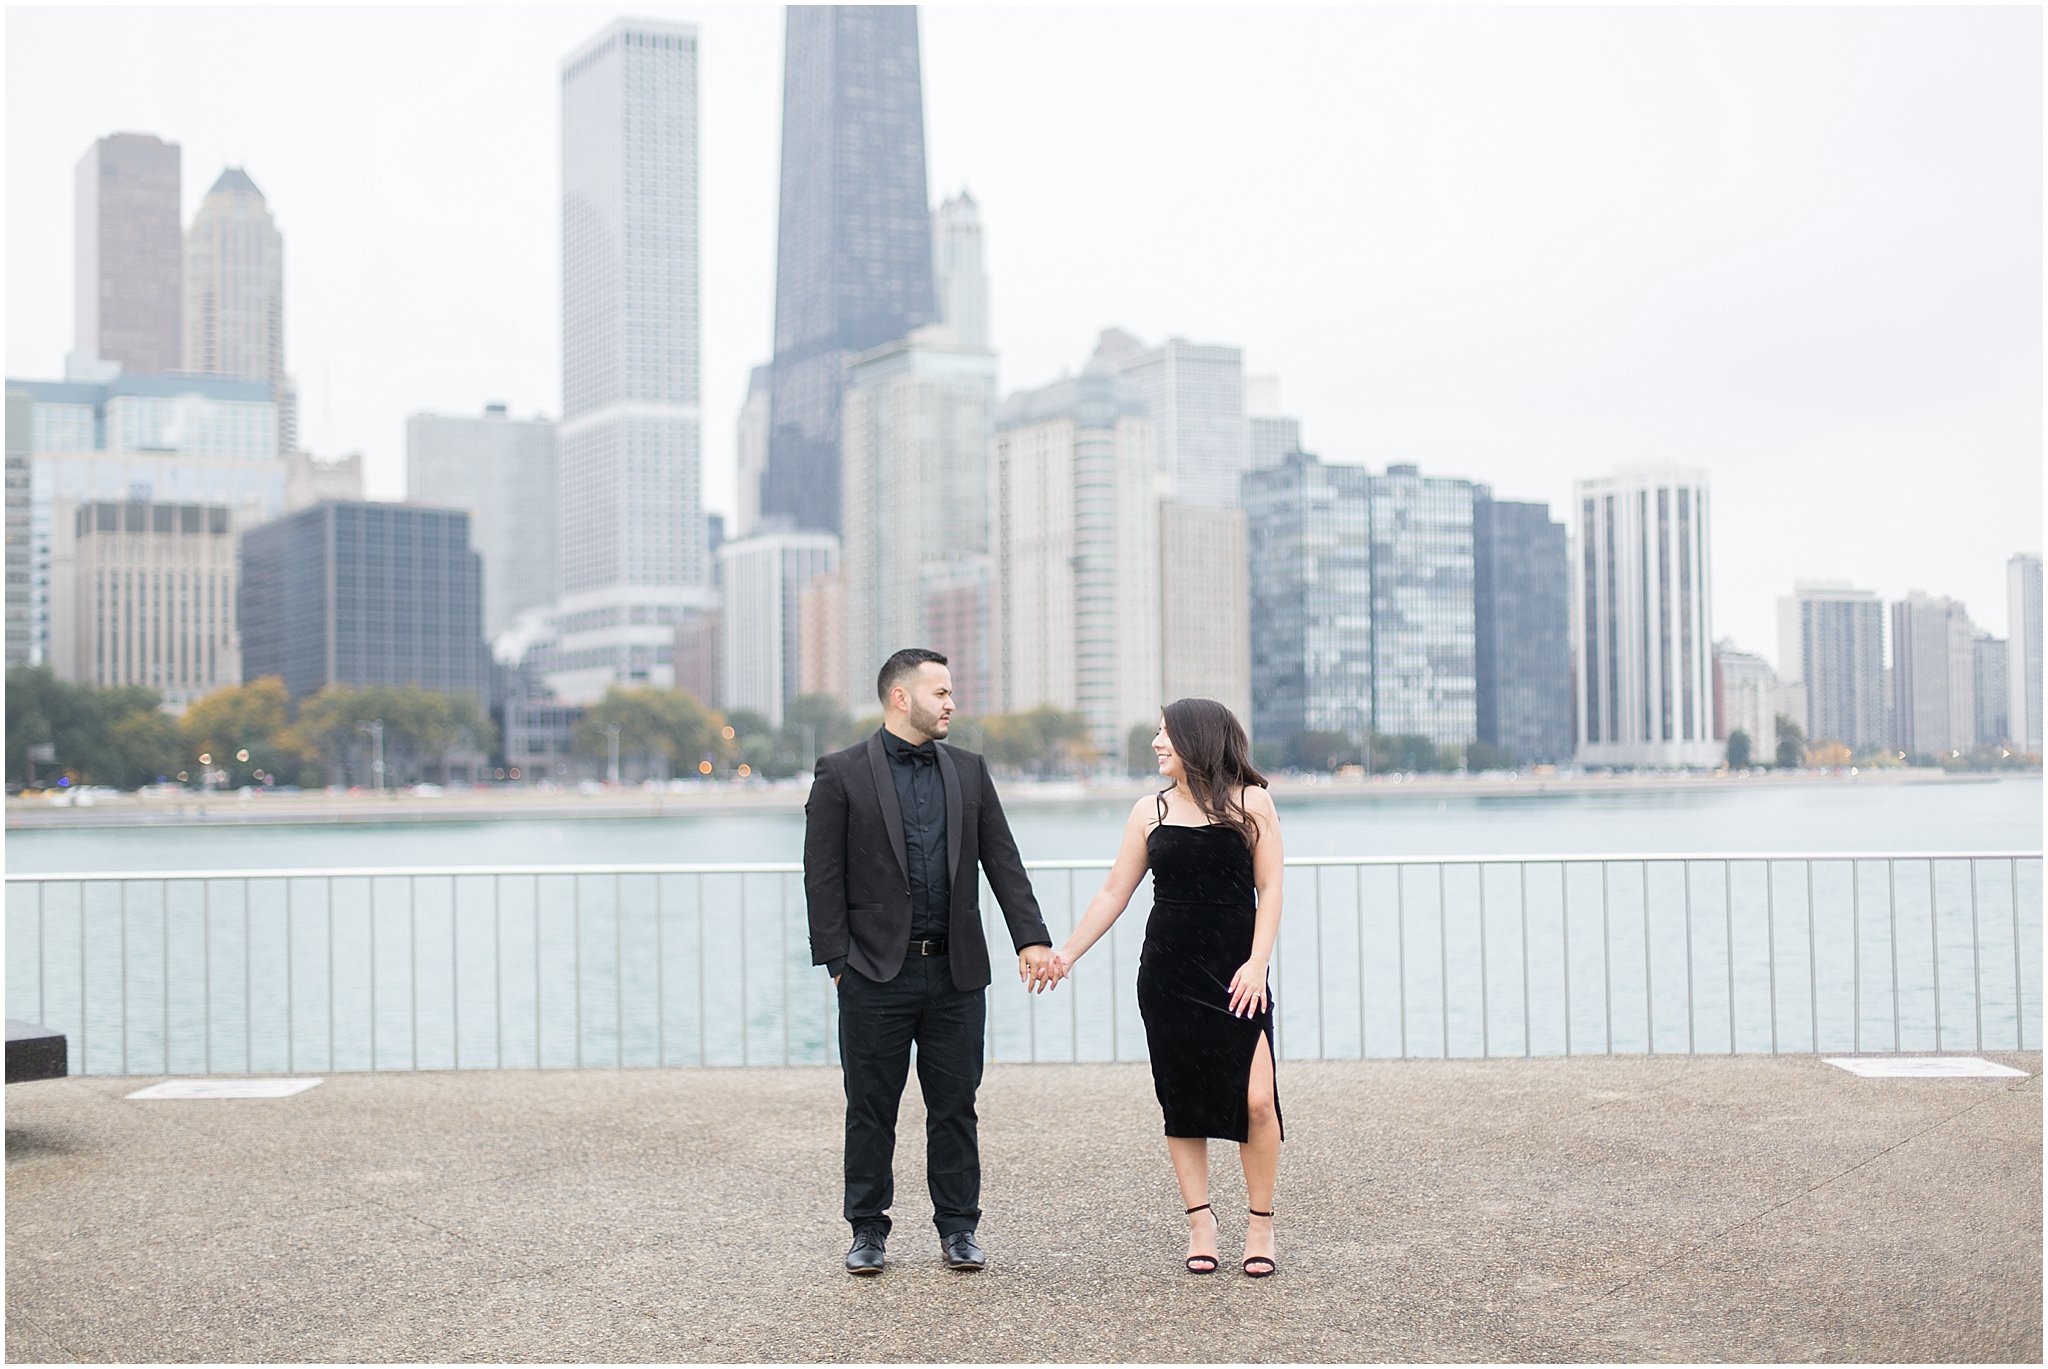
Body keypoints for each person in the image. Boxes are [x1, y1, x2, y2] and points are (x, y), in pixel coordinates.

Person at [804, 647, 1058, 1277]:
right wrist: (838, 961)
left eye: (950, 692)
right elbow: (821, 875)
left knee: (955, 1106)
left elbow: (1003, 860)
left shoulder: (970, 771)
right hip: (873, 973)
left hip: (956, 974)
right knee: (870, 1107)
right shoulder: (840, 773)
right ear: (901, 697)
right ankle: (867, 1230)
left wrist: (1031, 939)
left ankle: (959, 1229)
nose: (951, 703)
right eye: (940, 692)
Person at [1045, 697, 1285, 1278]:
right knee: (1182, 1101)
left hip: (1236, 975)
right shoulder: (1148, 811)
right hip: (1168, 975)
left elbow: (1271, 889)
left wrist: (1258, 964)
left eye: (1165, 734)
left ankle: (1261, 1224)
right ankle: (1201, 1221)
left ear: (1197, 739)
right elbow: (1113, 893)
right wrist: (1067, 954)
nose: (1156, 743)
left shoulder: (1253, 803)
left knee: (1256, 1100)